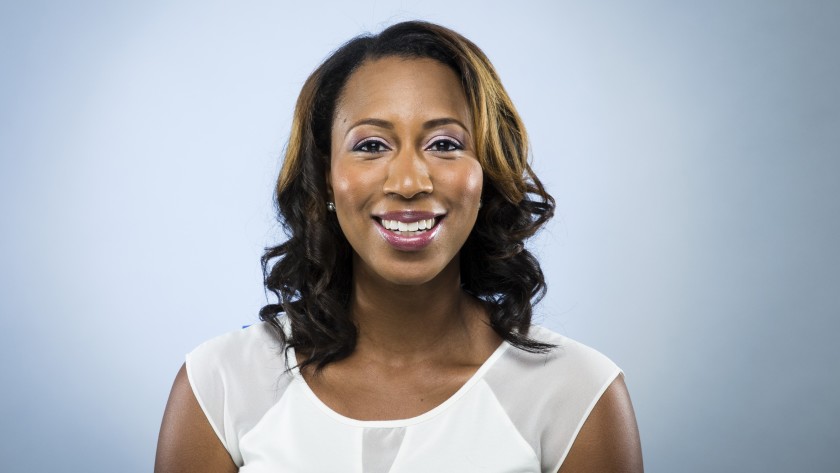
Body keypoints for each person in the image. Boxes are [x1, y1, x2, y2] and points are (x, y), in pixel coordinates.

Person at [155, 20, 643, 473]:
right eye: (370, 146)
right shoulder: (218, 385)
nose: (409, 182)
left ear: (486, 173)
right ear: (325, 177)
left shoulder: (578, 394)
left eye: (445, 144)